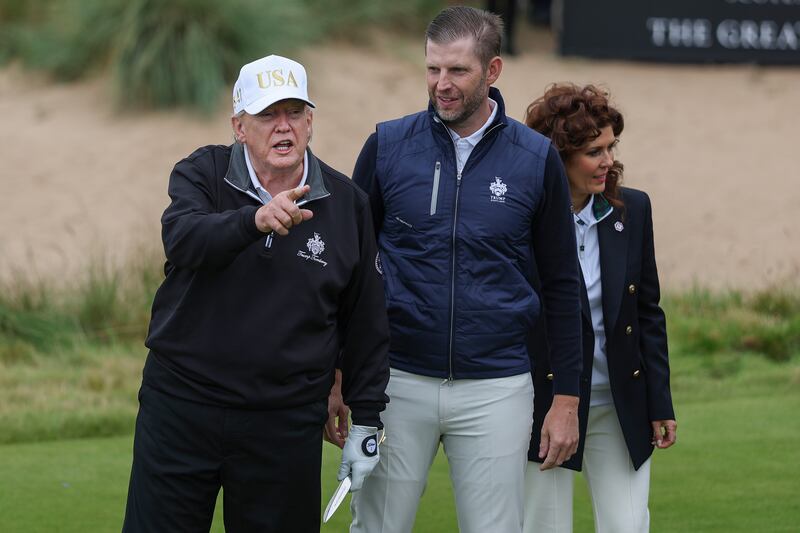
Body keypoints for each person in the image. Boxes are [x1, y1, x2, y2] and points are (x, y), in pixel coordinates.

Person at [121, 54, 390, 533]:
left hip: (284, 420)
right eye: (267, 114)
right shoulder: (203, 172)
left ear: (310, 122)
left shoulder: (348, 204)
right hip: (182, 406)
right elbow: (183, 238)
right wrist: (254, 220)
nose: (283, 126)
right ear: (239, 127)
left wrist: (367, 418)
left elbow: (365, 318)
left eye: (294, 112)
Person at [348, 6, 583, 533]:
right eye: (433, 69)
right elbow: (350, 270)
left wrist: (567, 398)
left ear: (492, 70)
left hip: (497, 385)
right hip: (396, 381)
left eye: (458, 70)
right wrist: (342, 373)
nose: (442, 84)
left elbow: (562, 285)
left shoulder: (536, 157)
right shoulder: (387, 146)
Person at [523, 83, 677, 533]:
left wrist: (660, 402)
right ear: (559, 157)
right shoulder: (522, 219)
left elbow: (647, 312)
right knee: (543, 527)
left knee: (628, 526)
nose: (608, 161)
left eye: (611, 147)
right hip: (543, 403)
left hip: (618, 400)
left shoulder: (634, 209)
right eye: (594, 151)